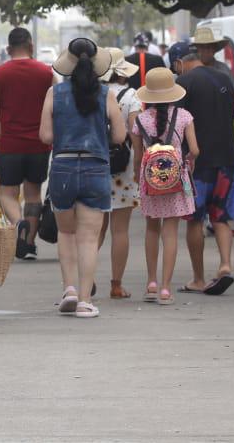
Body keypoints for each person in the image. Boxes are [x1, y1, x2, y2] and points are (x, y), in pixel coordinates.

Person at [38, 38, 126, 319]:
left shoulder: (54, 94)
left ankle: (70, 290)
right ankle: (86, 302)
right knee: (89, 239)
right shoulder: (106, 95)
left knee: (66, 233)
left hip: (62, 167)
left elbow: (46, 136)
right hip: (95, 168)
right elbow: (120, 136)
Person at [173, 40, 234, 295]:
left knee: (194, 221)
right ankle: (225, 265)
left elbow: (177, 126)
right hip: (227, 159)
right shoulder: (225, 79)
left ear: (181, 63)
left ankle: (198, 279)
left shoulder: (183, 84)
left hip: (196, 163)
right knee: (221, 217)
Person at [0, 27, 54, 260]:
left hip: (10, 145)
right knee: (33, 194)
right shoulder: (47, 73)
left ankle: (18, 223)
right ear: (31, 46)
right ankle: (28, 244)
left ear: (8, 49)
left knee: (8, 193)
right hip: (39, 145)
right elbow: (56, 108)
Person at [132, 67, 199, 306]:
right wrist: (187, 163)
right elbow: (195, 149)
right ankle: (166, 289)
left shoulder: (139, 119)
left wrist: (136, 178)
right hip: (175, 180)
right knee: (170, 233)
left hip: (149, 182)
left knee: (152, 229)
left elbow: (138, 156)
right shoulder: (184, 116)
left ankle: (151, 282)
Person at [98, 48, 141, 299]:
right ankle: (116, 284)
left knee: (95, 229)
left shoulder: (95, 94)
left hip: (96, 164)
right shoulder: (131, 96)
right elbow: (136, 133)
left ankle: (86, 280)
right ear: (123, 74)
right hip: (123, 169)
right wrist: (138, 164)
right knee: (120, 229)